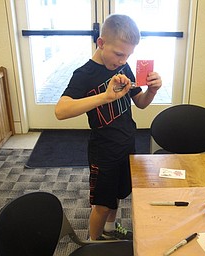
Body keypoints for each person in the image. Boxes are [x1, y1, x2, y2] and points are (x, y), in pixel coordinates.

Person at [55, 14, 162, 241]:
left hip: (126, 143)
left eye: (129, 55)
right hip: (103, 151)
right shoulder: (84, 74)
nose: (123, 60)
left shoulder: (123, 67)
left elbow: (140, 103)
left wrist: (152, 90)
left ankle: (110, 230)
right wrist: (104, 97)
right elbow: (61, 111)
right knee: (102, 204)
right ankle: (94, 244)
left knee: (118, 195)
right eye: (119, 54)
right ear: (101, 43)